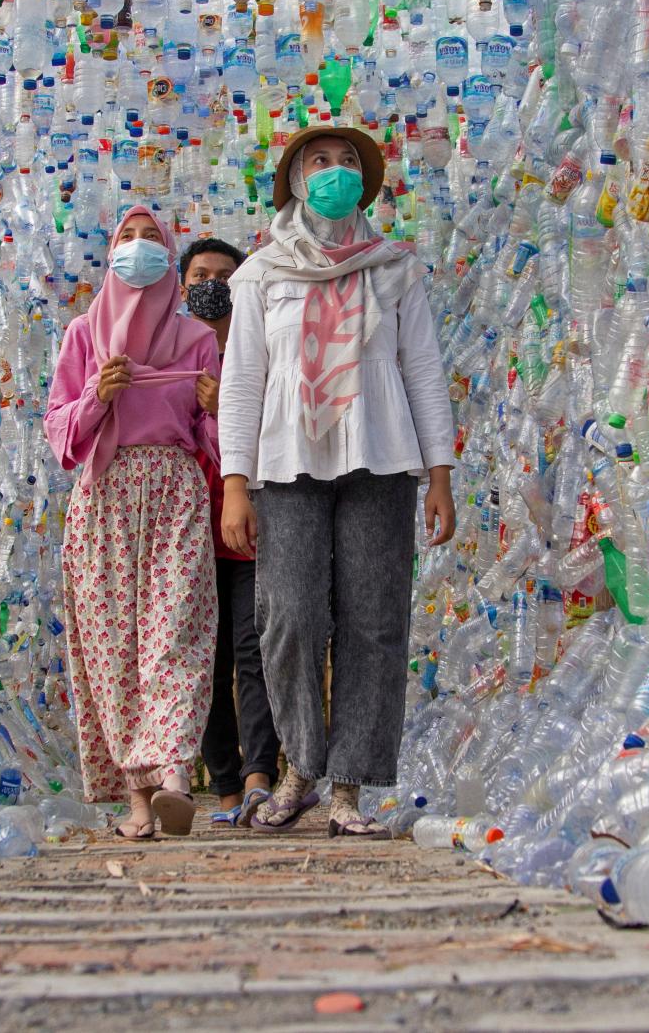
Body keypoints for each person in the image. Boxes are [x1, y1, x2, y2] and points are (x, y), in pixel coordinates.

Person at [218, 126, 456, 838]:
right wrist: (235, 481)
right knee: (288, 617)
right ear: (294, 179)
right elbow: (243, 382)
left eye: (348, 161)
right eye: (320, 161)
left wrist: (440, 473)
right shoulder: (262, 273)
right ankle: (299, 767)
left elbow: (422, 370)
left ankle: (348, 786)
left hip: (382, 457)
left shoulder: (394, 268)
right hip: (287, 462)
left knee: (374, 622)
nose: (335, 170)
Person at [44, 205, 221, 840]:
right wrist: (99, 394)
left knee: (175, 632)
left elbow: (219, 446)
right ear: (111, 251)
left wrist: (215, 406)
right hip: (105, 499)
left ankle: (174, 772)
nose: (139, 248)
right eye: (128, 237)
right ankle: (138, 800)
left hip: (175, 493)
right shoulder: (82, 336)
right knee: (114, 648)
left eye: (152, 239)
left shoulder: (197, 340)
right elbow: (61, 436)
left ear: (169, 259)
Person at [179, 238, 281, 828]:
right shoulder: (166, 350)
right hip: (184, 536)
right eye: (200, 274)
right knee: (204, 659)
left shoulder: (262, 347)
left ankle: (259, 775)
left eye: (225, 274)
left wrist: (230, 409)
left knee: (254, 649)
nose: (213, 284)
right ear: (183, 283)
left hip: (248, 526)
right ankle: (222, 787)